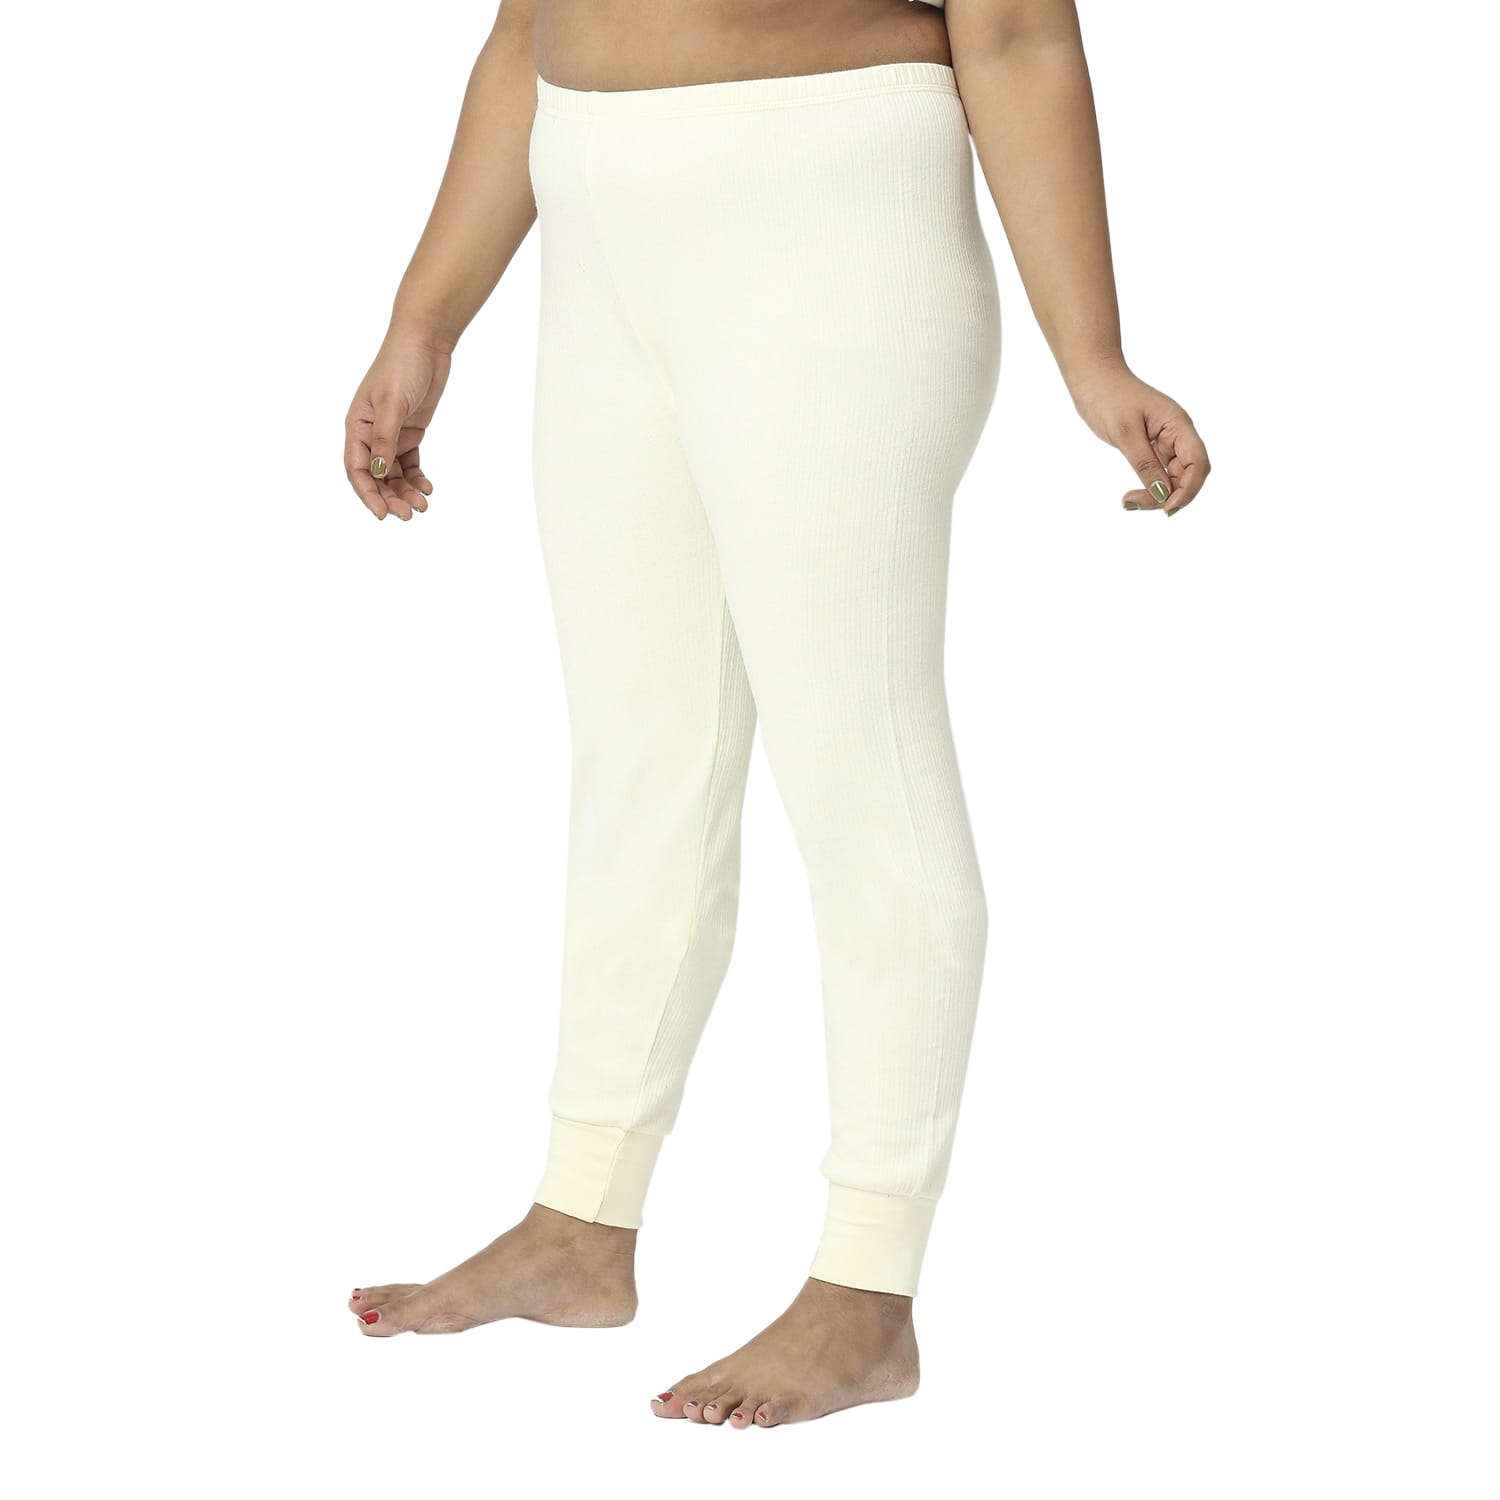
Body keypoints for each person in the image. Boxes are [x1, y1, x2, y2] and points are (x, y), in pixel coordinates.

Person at [340, 0, 1211, 1428]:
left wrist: (1092, 354)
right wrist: (423, 319)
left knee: (862, 772)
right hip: (598, 218)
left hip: (830, 212)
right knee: (642, 767)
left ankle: (867, 1290)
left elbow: (1015, 36)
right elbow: (522, 33)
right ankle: (580, 1220)